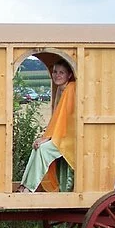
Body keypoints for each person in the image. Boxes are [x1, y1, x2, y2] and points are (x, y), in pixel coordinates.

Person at [18, 59, 76, 193]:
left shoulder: (71, 88)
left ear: (69, 75)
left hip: (70, 138)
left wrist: (48, 137)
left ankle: (29, 188)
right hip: (62, 135)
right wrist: (46, 137)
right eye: (55, 72)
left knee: (44, 150)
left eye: (62, 72)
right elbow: (58, 118)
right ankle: (24, 185)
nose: (57, 75)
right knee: (37, 147)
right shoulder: (61, 90)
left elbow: (65, 119)